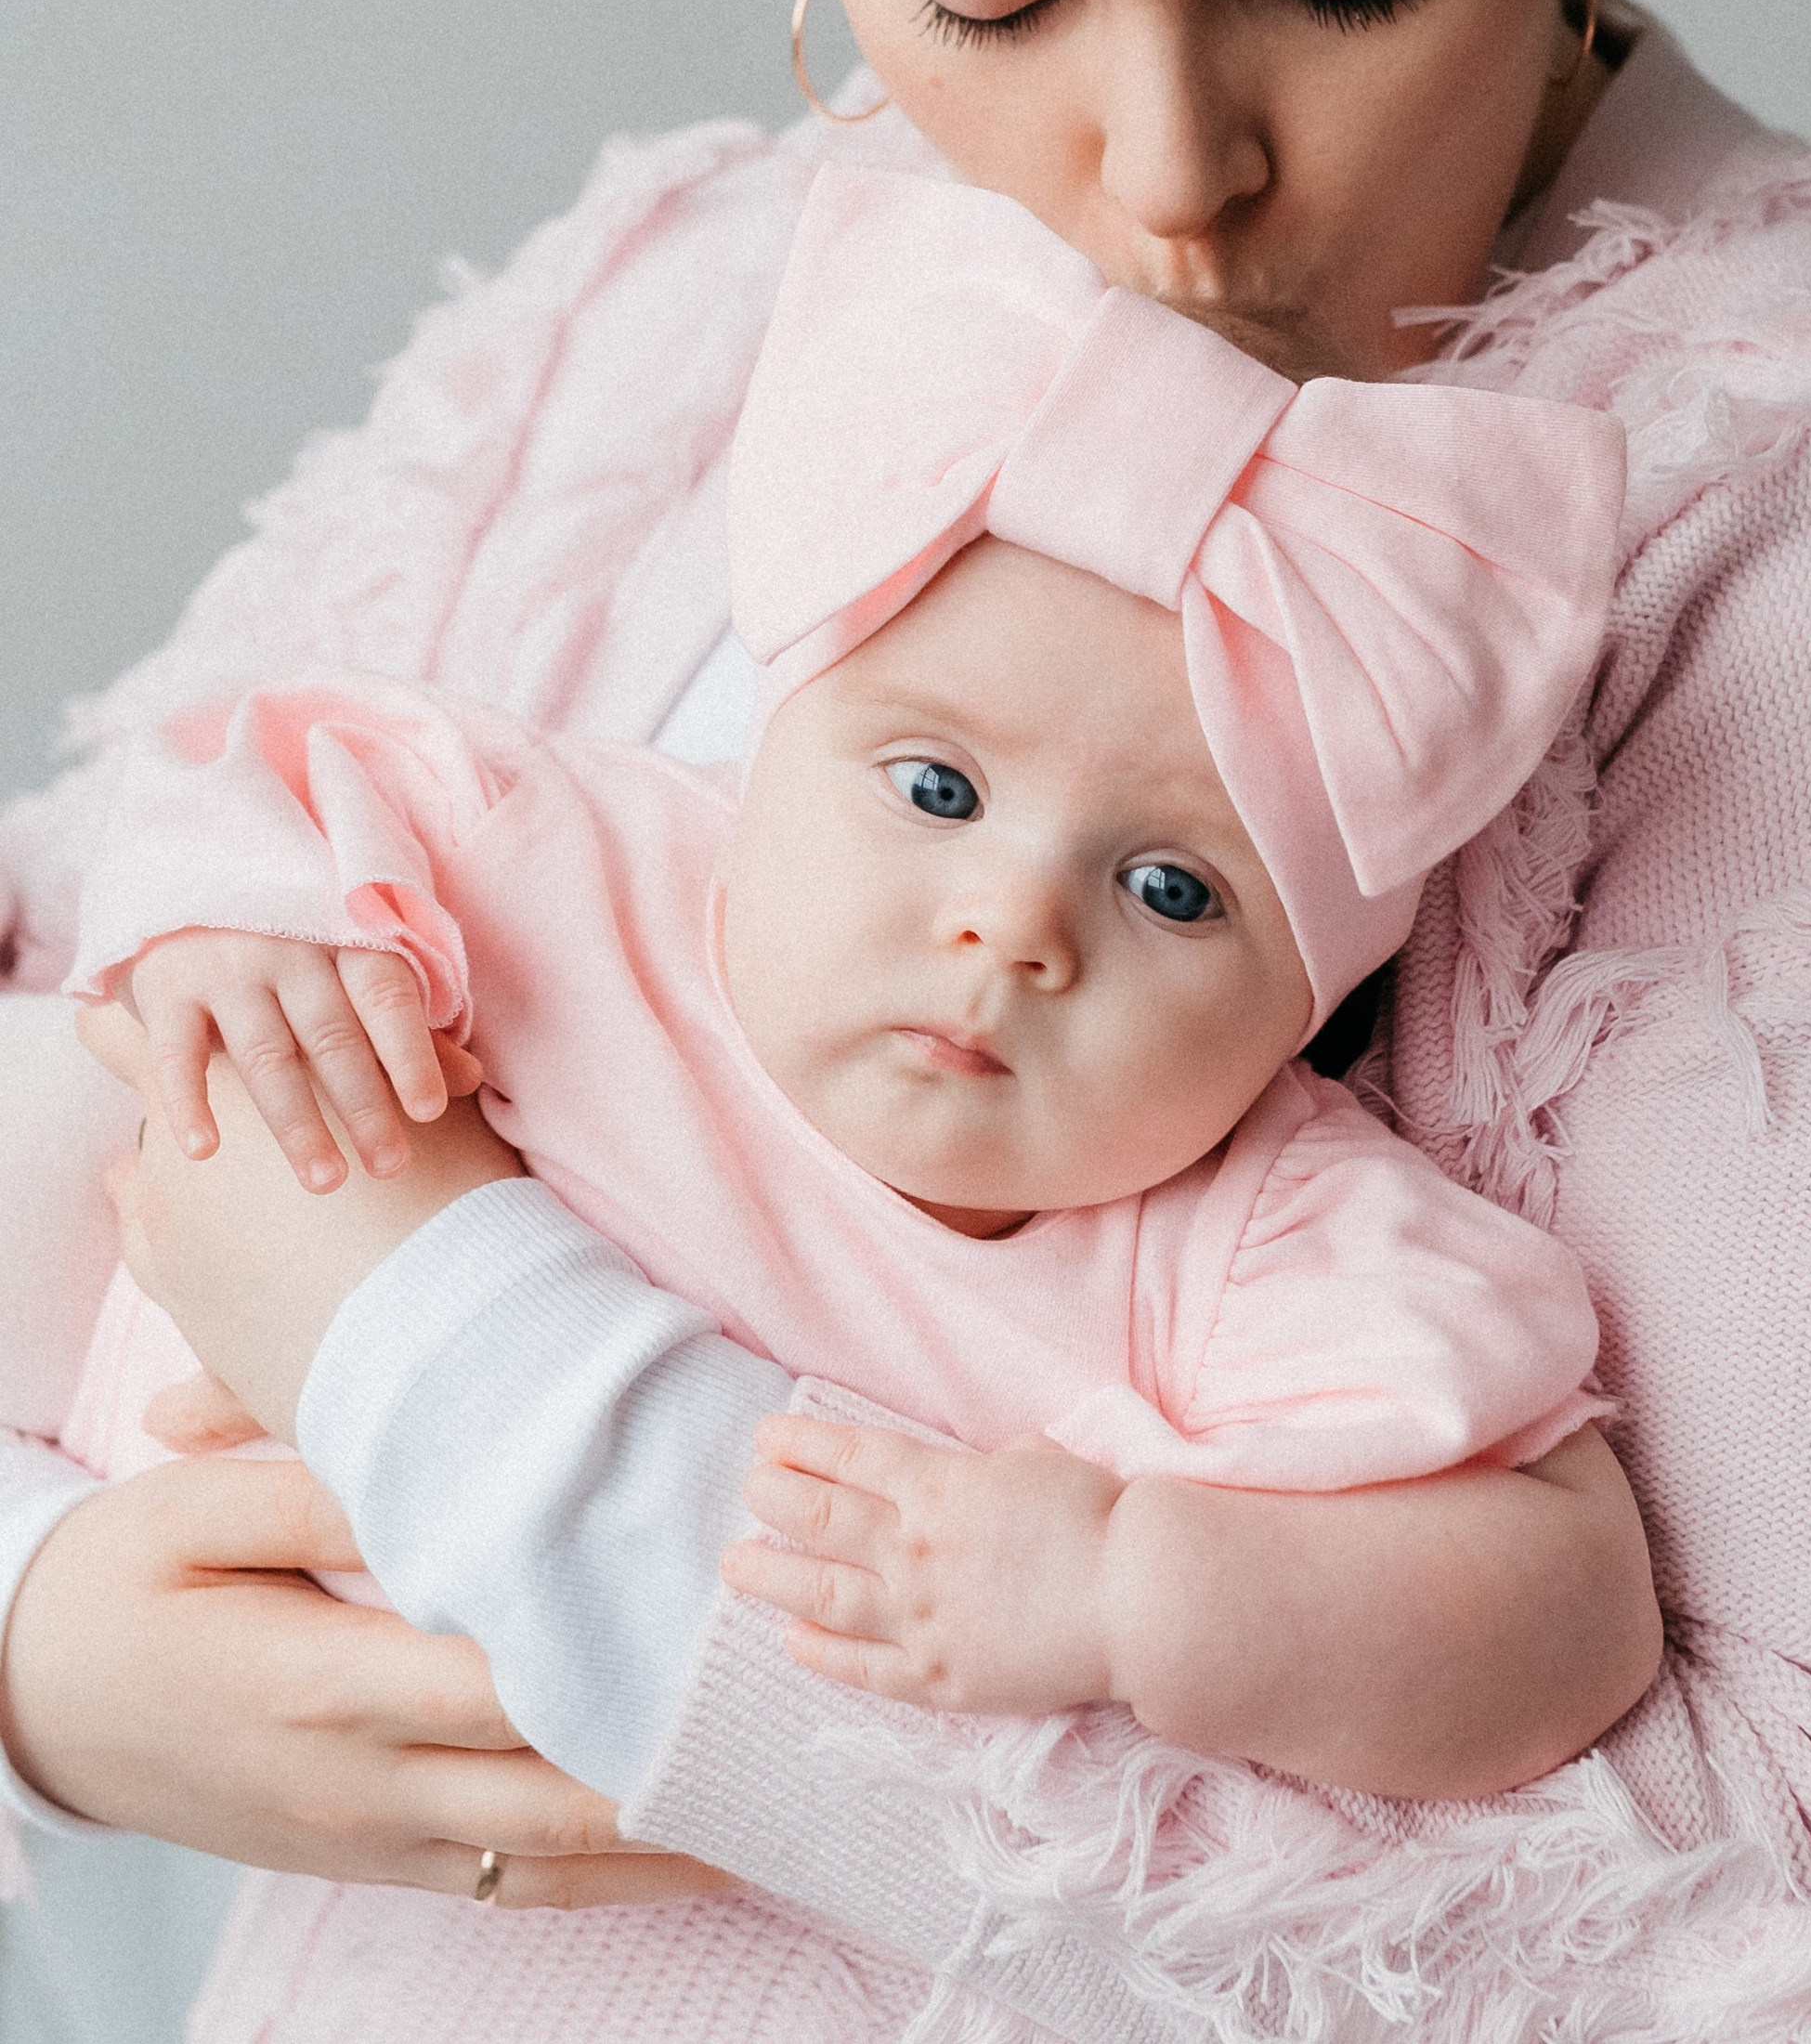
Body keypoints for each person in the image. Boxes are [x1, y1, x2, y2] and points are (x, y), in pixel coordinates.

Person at [3, 0, 1811, 2044]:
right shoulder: (682, 287)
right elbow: (101, 998)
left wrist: (465, 1380)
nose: (1155, 173)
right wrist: (60, 1658)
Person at [67, 173, 1648, 1932]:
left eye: (1171, 889)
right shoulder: (575, 863)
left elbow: (1569, 1609)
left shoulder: (1253, 1245)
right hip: (115, 1506)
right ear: (777, 747)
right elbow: (247, 765)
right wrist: (240, 940)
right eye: (937, 789)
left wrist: (1133, 1589)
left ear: (1310, 1008)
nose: (1016, 925)